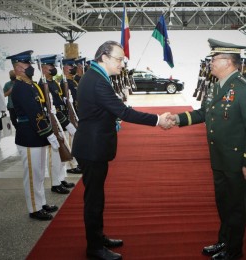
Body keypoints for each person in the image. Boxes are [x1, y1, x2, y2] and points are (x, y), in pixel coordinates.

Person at [71, 40, 173, 260]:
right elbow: (123, 112)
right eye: (119, 59)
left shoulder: (95, 77)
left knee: (96, 196)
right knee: (94, 199)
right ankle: (94, 248)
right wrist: (157, 120)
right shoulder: (98, 81)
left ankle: (98, 237)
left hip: (92, 144)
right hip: (92, 147)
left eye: (123, 60)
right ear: (104, 57)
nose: (122, 64)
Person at [169, 38, 246, 260]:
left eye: (214, 58)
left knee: (236, 207)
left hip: (237, 161)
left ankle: (234, 250)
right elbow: (203, 113)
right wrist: (177, 119)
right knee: (223, 203)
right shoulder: (216, 86)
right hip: (219, 157)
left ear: (229, 62)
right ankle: (224, 241)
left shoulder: (245, 89)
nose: (210, 62)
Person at [6, 50, 59, 221]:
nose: (30, 67)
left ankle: (41, 202)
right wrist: (49, 133)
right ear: (18, 68)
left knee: (38, 173)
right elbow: (33, 113)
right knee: (32, 175)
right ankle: (34, 209)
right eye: (26, 64)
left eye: (29, 63)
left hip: (37, 136)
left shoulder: (30, 85)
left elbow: (42, 110)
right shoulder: (21, 87)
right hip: (29, 137)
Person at [38, 55, 76, 194]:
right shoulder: (43, 85)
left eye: (54, 66)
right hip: (54, 122)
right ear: (43, 68)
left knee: (61, 153)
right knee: (55, 155)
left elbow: (60, 104)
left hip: (61, 120)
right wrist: (66, 123)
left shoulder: (53, 82)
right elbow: (48, 108)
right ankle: (55, 183)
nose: (54, 69)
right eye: (50, 66)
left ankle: (61, 179)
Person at [61, 58, 82, 174]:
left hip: (76, 114)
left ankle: (76, 163)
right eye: (70, 66)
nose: (73, 68)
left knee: (75, 141)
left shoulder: (72, 81)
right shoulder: (64, 83)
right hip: (69, 116)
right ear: (64, 68)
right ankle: (71, 166)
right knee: (70, 141)